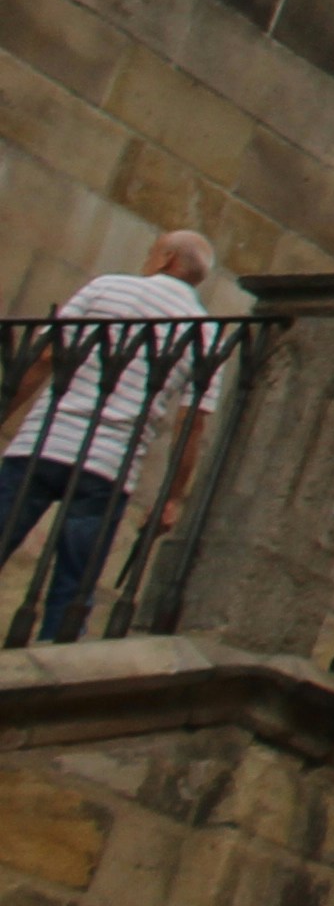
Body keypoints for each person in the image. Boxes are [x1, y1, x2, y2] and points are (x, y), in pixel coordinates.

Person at [0, 230, 222, 644]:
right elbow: (192, 423)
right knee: (73, 587)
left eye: (153, 251)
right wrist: (172, 496)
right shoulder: (207, 332)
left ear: (166, 258)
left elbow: (47, 356)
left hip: (43, 443)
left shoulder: (107, 288)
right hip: (109, 465)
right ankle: (54, 661)